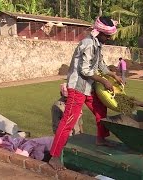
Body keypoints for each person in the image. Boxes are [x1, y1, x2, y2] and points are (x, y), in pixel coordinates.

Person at [49, 16, 123, 170]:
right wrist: (104, 81)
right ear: (100, 32)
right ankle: (54, 156)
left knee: (101, 110)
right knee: (69, 120)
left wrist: (113, 75)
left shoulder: (97, 43)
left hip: (88, 87)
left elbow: (100, 64)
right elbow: (85, 70)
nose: (108, 38)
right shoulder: (88, 44)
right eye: (107, 36)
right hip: (77, 87)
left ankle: (101, 139)